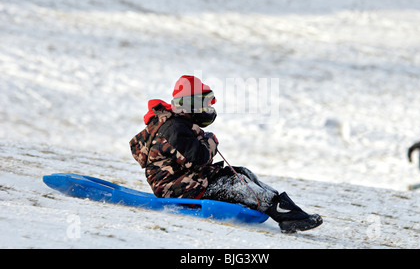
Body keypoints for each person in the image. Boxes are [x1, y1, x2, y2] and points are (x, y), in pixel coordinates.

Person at [129, 75, 322, 233]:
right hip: (175, 188)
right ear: (191, 105)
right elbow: (199, 158)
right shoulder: (174, 128)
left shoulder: (179, 125)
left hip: (187, 180)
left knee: (242, 172)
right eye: (203, 104)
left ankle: (283, 206)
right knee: (236, 184)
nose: (207, 109)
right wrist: (210, 141)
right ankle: (284, 214)